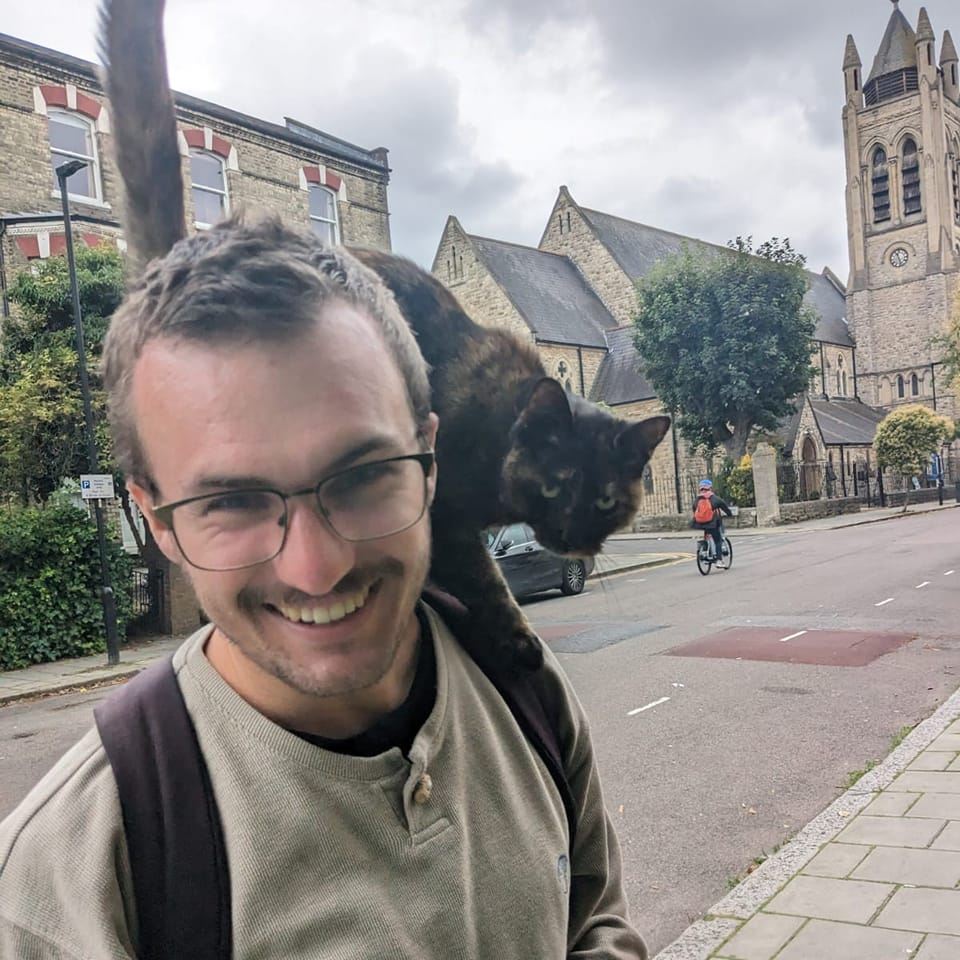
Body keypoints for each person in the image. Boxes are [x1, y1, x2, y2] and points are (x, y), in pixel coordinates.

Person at [0, 219, 647, 959]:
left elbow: (595, 919)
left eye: (364, 474)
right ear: (159, 523)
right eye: (233, 501)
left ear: (429, 462)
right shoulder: (72, 884)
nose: (316, 568)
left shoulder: (526, 693)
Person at [692, 479, 734, 569]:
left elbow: (694, 509)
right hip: (712, 523)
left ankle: (704, 551)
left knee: (707, 534)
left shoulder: (697, 499)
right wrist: (729, 514)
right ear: (710, 488)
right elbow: (724, 506)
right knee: (718, 540)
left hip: (699, 523)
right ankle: (719, 560)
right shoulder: (714, 498)